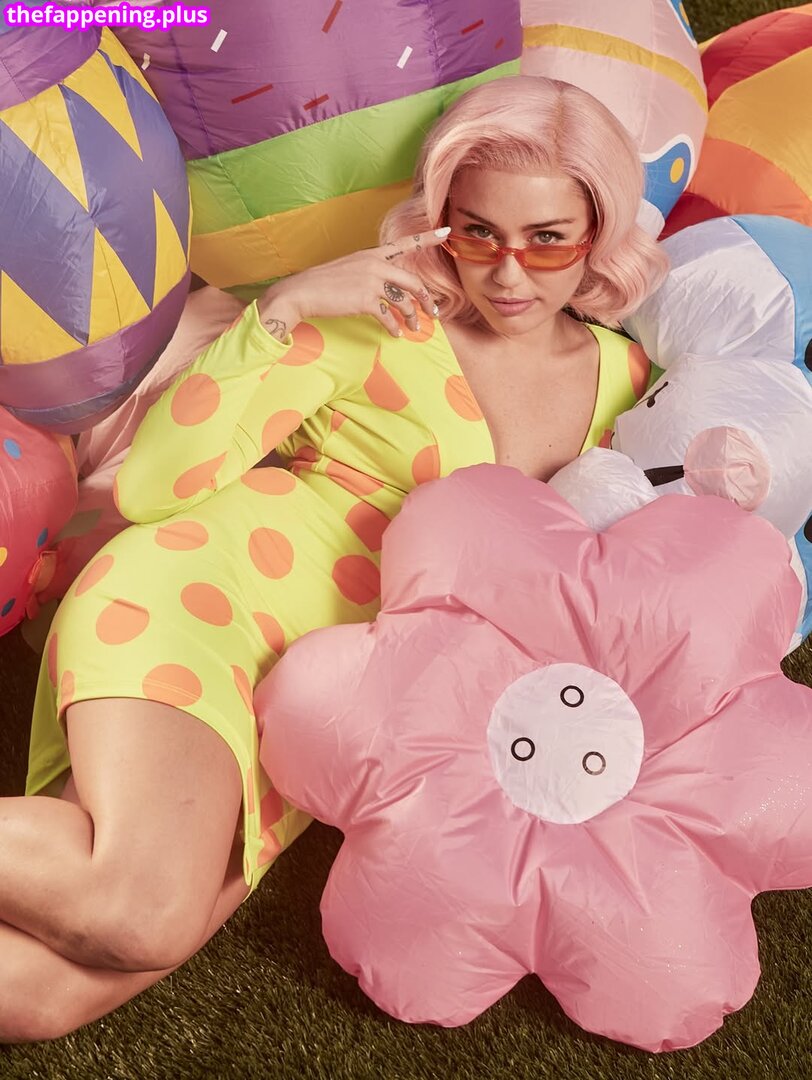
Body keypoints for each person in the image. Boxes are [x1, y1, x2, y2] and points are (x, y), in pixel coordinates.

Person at [0, 75, 667, 1042]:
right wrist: (285, 308)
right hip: (207, 602)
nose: (509, 272)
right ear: (440, 222)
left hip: (330, 711)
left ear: (599, 234)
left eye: (548, 239)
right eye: (478, 233)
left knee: (47, 997)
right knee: (140, 914)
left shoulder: (629, 385)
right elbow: (150, 488)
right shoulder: (381, 320)